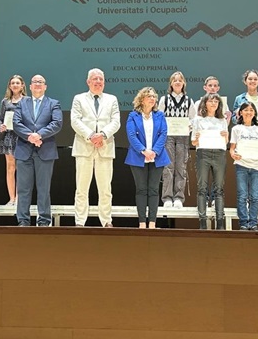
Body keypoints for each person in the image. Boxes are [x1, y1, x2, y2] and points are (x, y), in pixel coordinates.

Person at [70, 68, 120, 228]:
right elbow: (75, 121)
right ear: (88, 82)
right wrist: (91, 135)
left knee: (105, 189)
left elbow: (116, 122)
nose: (98, 82)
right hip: (84, 148)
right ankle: (79, 222)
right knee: (81, 188)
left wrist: (103, 135)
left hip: (104, 148)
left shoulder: (112, 99)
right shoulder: (79, 98)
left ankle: (106, 221)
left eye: (101, 79)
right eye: (95, 79)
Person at [12, 74, 63, 227]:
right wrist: (30, 136)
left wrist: (39, 135)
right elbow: (16, 123)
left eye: (41, 82)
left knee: (43, 189)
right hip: (24, 150)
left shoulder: (53, 103)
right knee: (23, 189)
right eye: (35, 82)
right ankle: (23, 220)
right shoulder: (22, 103)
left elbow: (57, 123)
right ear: (30, 86)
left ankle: (44, 221)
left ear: (45, 86)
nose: (38, 85)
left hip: (45, 151)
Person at [125, 87, 170, 229]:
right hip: (138, 157)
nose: (152, 98)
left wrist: (154, 151)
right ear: (141, 99)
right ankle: (142, 222)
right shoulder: (133, 116)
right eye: (149, 96)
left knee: (154, 190)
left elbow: (163, 134)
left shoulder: (160, 115)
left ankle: (152, 223)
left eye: (154, 96)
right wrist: (144, 151)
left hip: (157, 157)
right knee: (141, 189)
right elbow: (131, 135)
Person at [233, 69, 258, 210]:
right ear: (245, 81)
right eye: (250, 79)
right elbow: (233, 119)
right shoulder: (239, 99)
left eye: (255, 79)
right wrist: (237, 115)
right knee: (244, 167)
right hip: (244, 136)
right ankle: (247, 200)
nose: (252, 81)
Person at [189, 75, 231, 210]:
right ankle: (204, 202)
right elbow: (195, 125)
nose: (213, 88)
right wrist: (196, 137)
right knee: (202, 183)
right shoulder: (197, 104)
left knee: (218, 183)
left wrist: (226, 131)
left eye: (215, 86)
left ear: (218, 88)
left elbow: (223, 126)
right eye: (210, 85)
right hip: (204, 148)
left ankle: (214, 200)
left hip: (218, 147)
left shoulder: (223, 102)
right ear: (205, 87)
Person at [230, 102, 258, 230]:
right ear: (240, 112)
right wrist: (233, 155)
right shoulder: (236, 129)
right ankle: (243, 223)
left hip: (256, 166)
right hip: (241, 165)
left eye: (251, 110)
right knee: (242, 195)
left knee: (255, 196)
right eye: (246, 110)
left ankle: (253, 223)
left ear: (255, 113)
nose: (249, 112)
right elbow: (232, 149)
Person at [191, 93, 228, 230]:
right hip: (203, 153)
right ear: (205, 103)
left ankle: (220, 222)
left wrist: (226, 136)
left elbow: (226, 142)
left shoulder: (222, 120)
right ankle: (202, 222)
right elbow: (193, 142)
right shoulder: (198, 120)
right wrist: (197, 137)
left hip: (219, 153)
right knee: (202, 188)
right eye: (211, 101)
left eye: (216, 101)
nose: (213, 103)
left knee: (219, 189)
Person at [157, 71, 193, 208]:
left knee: (181, 167)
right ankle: (167, 198)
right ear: (171, 84)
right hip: (168, 137)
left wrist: (189, 126)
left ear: (183, 83)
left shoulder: (189, 101)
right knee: (168, 166)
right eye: (175, 80)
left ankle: (178, 197)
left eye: (180, 80)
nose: (177, 82)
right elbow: (159, 118)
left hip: (183, 136)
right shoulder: (164, 99)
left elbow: (193, 119)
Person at [0, 75, 26, 206]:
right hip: (9, 137)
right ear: (9, 86)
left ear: (22, 85)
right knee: (10, 168)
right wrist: (1, 126)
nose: (15, 85)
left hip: (22, 137)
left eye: (17, 83)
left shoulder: (27, 100)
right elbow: (1, 118)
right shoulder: (5, 101)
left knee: (22, 168)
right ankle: (12, 198)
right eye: (12, 83)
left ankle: (20, 198)